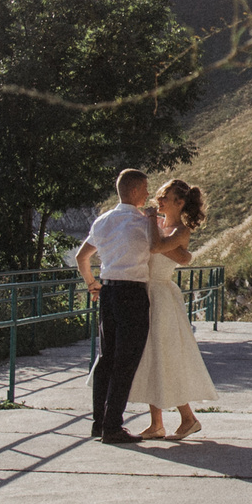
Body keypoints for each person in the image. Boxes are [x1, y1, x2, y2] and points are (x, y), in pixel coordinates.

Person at [74, 167, 156, 443]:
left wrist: (91, 283)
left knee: (105, 359)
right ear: (134, 191)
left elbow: (81, 257)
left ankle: (99, 422)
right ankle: (113, 426)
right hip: (132, 293)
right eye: (145, 188)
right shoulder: (144, 222)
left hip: (108, 291)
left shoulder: (103, 221)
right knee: (126, 360)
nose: (148, 194)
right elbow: (160, 246)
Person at [133, 178, 217, 441]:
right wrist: (182, 256)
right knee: (150, 355)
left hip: (161, 295)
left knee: (163, 355)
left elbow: (156, 247)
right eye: (159, 195)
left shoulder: (180, 230)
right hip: (147, 291)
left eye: (164, 197)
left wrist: (182, 254)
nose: (158, 201)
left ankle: (188, 418)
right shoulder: (159, 225)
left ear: (179, 203)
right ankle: (157, 423)